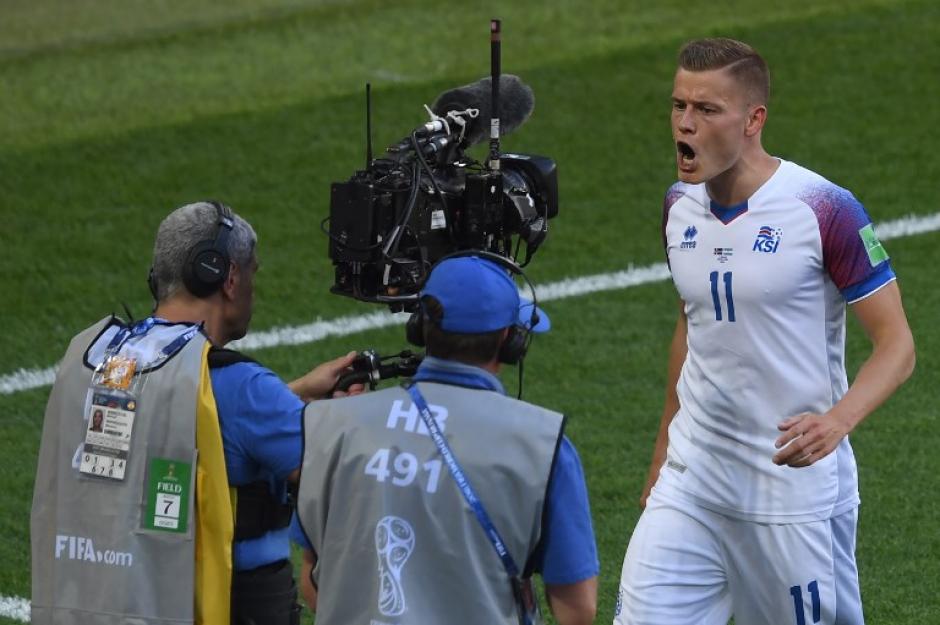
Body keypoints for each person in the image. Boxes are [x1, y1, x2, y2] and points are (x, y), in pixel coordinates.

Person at [613, 38, 916, 625]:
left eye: (706, 110)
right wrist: (661, 456)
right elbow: (692, 327)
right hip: (692, 481)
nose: (685, 124)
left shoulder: (825, 209)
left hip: (789, 493)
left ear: (753, 120)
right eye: (678, 106)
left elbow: (897, 346)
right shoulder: (678, 206)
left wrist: (838, 421)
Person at [31, 201, 357, 625]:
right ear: (228, 276)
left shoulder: (97, 359)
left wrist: (290, 394)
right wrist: (347, 417)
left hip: (103, 602)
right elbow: (346, 473)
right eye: (252, 273)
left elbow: (178, 427)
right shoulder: (244, 389)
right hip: (225, 605)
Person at [292, 255, 599, 625]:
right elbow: (577, 610)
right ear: (509, 340)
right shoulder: (545, 446)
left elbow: (313, 582)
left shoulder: (331, 425)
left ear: (420, 327)